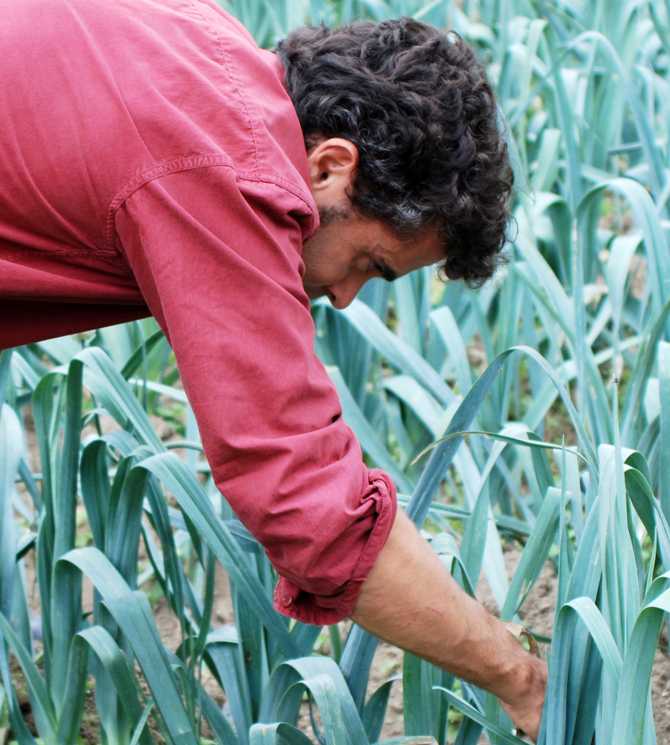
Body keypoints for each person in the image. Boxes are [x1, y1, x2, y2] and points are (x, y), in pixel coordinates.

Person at [0, 0, 547, 739]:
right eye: (369, 263)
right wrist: (520, 678)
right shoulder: (219, 169)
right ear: (328, 166)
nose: (347, 296)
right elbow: (309, 506)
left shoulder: (208, 49)